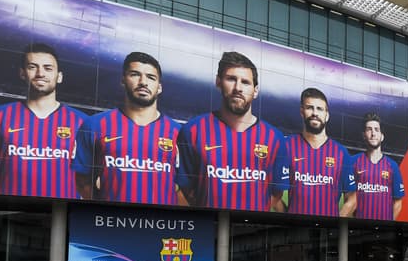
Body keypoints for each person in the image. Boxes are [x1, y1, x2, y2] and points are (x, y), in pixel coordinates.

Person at [0, 43, 87, 198]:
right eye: (32, 67)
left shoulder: (83, 122)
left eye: (48, 68)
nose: (40, 73)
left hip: (63, 212)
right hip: (13, 212)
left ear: (59, 76)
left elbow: (96, 179)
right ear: (22, 73)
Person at [177, 51, 290, 211]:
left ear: (255, 91)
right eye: (231, 79)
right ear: (218, 82)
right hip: (208, 224)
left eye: (245, 82)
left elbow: (277, 192)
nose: (238, 88)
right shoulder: (193, 130)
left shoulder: (275, 138)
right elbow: (186, 187)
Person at [74, 52, 180, 204]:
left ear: (159, 87)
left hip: (161, 218)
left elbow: (186, 187)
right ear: (123, 80)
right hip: (111, 218)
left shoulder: (179, 133)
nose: (143, 82)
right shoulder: (95, 125)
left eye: (151, 77)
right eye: (135, 74)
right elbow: (82, 181)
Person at [282, 88, 357, 217]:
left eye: (320, 109)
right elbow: (270, 187)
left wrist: (336, 221)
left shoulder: (341, 152)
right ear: (302, 112)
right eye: (310, 108)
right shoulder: (287, 145)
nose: (315, 113)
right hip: (295, 227)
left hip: (328, 229)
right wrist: (286, 218)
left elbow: (353, 196)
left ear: (327, 116)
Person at [352, 113, 405, 220]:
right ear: (364, 135)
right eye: (369, 129)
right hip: (358, 226)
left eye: (376, 130)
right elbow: (347, 197)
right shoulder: (353, 161)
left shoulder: (392, 165)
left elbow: (398, 202)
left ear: (382, 136)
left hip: (383, 227)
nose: (373, 134)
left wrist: (388, 223)